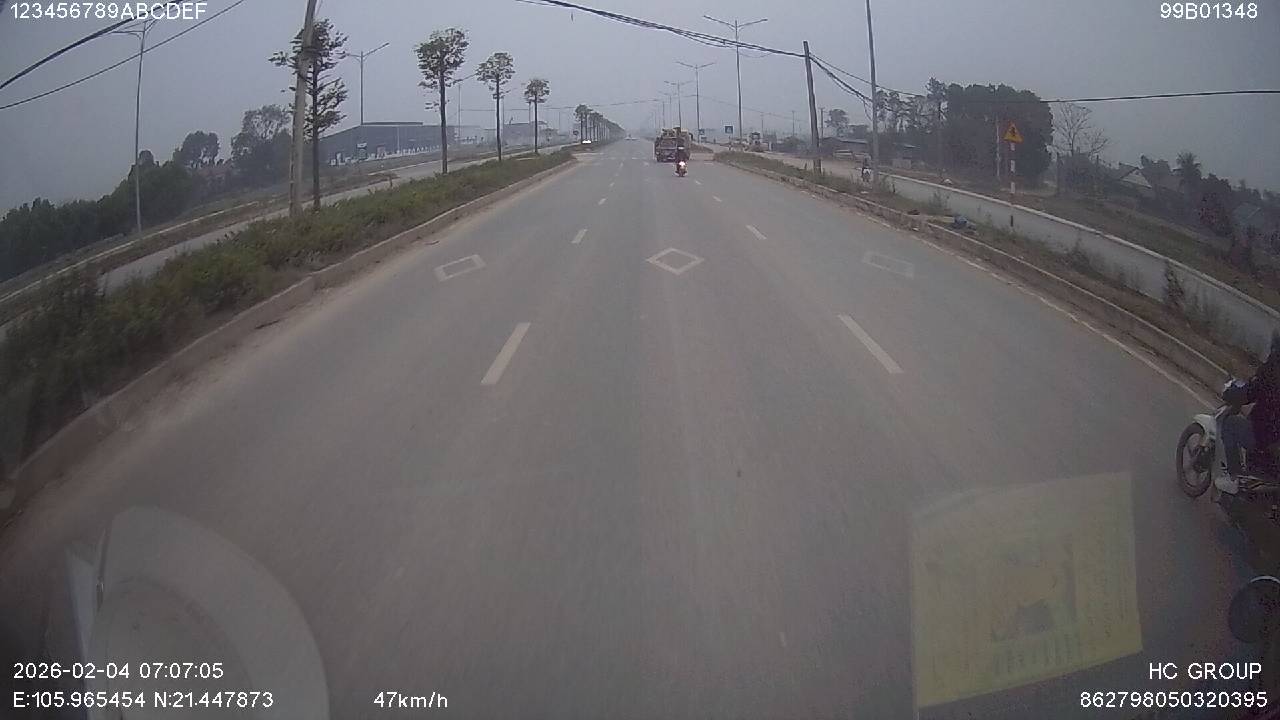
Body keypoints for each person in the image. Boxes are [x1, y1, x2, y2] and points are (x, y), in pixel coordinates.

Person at [1217, 331, 1280, 492]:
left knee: (1230, 424)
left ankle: (1234, 477)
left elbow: (1250, 392)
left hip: (1267, 434)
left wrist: (1232, 393)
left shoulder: (1273, 367)